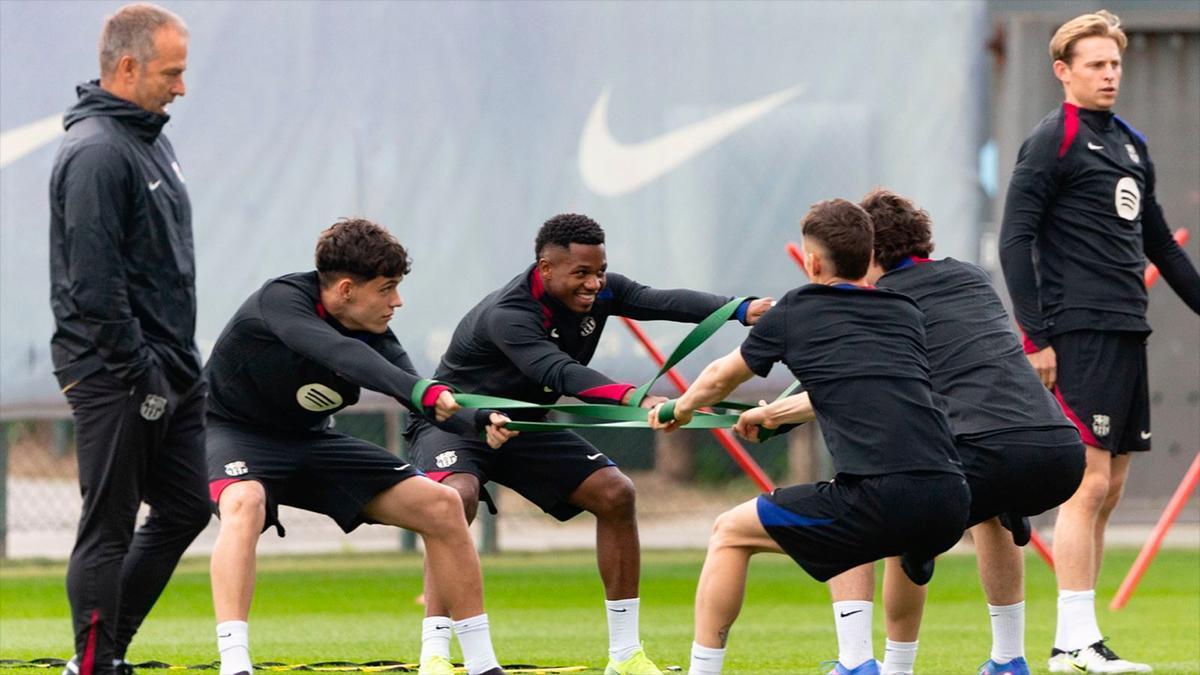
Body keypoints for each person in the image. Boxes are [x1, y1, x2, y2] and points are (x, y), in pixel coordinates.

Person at [405, 213, 773, 675]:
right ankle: (435, 655)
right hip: (455, 422)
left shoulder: (602, 290)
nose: (594, 284)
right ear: (545, 268)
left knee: (615, 493)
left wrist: (740, 309)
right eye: (582, 273)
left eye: (600, 271)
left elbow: (659, 300)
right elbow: (558, 372)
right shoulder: (509, 314)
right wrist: (636, 399)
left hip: (523, 427)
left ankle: (625, 656)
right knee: (453, 500)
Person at [737, 189, 1085, 675]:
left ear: (869, 252)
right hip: (1058, 451)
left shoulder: (885, 303)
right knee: (990, 512)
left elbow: (856, 384)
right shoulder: (970, 277)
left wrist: (775, 415)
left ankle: (875, 664)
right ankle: (1009, 660)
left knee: (875, 503)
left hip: (987, 450)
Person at [647, 199, 968, 675]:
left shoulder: (798, 308)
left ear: (812, 262)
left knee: (730, 533)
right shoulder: (904, 311)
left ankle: (703, 671)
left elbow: (719, 377)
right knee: (858, 522)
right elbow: (859, 388)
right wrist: (774, 414)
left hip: (883, 497)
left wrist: (678, 408)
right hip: (950, 494)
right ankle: (872, 662)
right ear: (869, 255)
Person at [204, 219, 512, 675]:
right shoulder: (281, 300)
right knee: (245, 501)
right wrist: (421, 391)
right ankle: (235, 664)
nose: (397, 301)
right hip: (229, 432)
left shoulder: (374, 334)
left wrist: (477, 419)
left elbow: (417, 392)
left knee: (444, 506)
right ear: (346, 289)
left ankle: (482, 664)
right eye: (387, 288)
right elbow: (342, 355)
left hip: (311, 441)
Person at [1000, 10, 1200, 674]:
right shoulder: (1051, 139)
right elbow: (1014, 240)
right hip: (1076, 331)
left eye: (1115, 63)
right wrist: (1036, 337)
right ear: (1064, 71)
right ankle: (1073, 645)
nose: (1109, 74)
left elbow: (1162, 247)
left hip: (1126, 330)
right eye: (1095, 64)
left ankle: (1080, 638)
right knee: (1086, 485)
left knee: (1109, 489)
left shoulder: (1131, 144)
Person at [48, 5, 208, 674]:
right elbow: (94, 286)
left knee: (187, 506)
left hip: (172, 368)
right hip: (117, 374)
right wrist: (141, 375)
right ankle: (93, 664)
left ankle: (101, 653)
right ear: (127, 67)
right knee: (108, 526)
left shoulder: (149, 140)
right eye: (171, 73)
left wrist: (175, 370)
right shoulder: (96, 152)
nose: (181, 87)